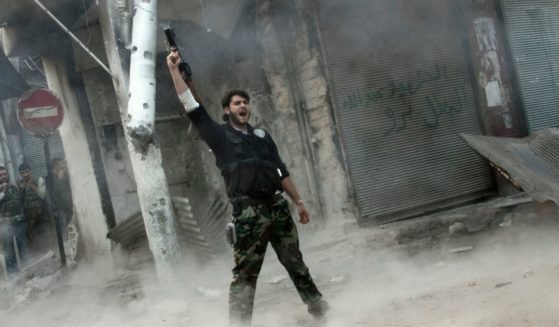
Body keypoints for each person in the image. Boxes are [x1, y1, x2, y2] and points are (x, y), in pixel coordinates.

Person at [167, 49, 329, 326]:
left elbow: (280, 171)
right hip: (249, 215)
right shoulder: (220, 137)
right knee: (245, 276)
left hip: (277, 209)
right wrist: (174, 70)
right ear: (227, 110)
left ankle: (319, 310)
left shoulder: (262, 137)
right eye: (236, 103)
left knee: (296, 263)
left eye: (246, 102)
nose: (243, 106)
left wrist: (299, 202)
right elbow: (191, 106)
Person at [0, 166, 27, 273]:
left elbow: (20, 202)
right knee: (9, 252)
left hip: (19, 223)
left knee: (24, 248)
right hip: (5, 225)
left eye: (4, 174)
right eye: (0, 175)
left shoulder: (14, 186)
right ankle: (14, 276)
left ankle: (29, 271)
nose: (3, 177)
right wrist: (2, 192)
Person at [17, 163, 47, 244]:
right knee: (34, 242)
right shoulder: (19, 184)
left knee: (46, 237)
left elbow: (43, 195)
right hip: (30, 219)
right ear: (20, 174)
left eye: (27, 171)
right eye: (23, 173)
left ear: (31, 171)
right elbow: (20, 201)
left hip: (42, 216)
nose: (26, 174)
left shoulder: (39, 179)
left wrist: (32, 186)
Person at [47, 158, 73, 229]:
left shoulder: (64, 174)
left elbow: (69, 187)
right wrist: (60, 179)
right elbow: (54, 192)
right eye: (60, 165)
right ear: (55, 166)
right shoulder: (50, 178)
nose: (62, 166)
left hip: (69, 205)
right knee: (65, 227)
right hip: (60, 208)